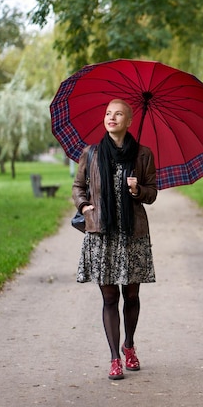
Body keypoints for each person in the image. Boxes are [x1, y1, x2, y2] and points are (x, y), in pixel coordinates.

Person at [72, 99, 158, 380]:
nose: (111, 117)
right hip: (102, 233)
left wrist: (138, 190)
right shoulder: (92, 153)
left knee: (131, 294)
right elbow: (78, 186)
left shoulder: (143, 155)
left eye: (118, 114)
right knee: (109, 297)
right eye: (108, 113)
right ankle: (114, 358)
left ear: (129, 121)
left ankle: (129, 344)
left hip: (132, 234)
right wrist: (84, 206)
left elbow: (152, 193)